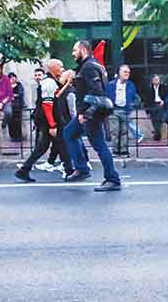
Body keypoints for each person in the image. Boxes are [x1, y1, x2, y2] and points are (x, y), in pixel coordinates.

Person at [62, 39, 121, 192]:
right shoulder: (90, 66)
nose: (72, 54)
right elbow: (87, 88)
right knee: (69, 133)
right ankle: (82, 169)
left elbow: (97, 92)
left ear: (83, 50)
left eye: (75, 50)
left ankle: (112, 179)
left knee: (99, 145)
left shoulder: (89, 67)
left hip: (91, 113)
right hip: (89, 111)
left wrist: (86, 113)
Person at [16, 59, 72, 181]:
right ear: (52, 68)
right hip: (49, 121)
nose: (62, 69)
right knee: (60, 144)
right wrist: (52, 125)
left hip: (49, 120)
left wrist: (66, 84)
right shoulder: (48, 82)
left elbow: (55, 97)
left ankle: (24, 170)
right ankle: (70, 171)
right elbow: (47, 105)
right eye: (60, 66)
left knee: (44, 146)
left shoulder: (51, 82)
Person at [107, 64, 141, 156]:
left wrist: (132, 105)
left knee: (124, 131)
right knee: (115, 131)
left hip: (125, 110)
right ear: (119, 73)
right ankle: (115, 151)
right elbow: (107, 96)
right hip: (114, 110)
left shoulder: (131, 85)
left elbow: (135, 97)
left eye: (128, 72)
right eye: (125, 72)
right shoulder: (111, 84)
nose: (127, 74)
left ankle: (124, 151)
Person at [144, 73, 168, 141]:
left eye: (158, 79)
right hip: (153, 105)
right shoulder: (149, 89)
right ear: (152, 81)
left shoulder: (163, 87)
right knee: (154, 121)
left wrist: (163, 101)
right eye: (155, 80)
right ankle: (157, 134)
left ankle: (156, 135)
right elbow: (147, 100)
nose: (157, 81)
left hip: (161, 105)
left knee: (159, 119)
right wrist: (147, 111)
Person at [8, 73, 25, 142]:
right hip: (9, 105)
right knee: (10, 122)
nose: (13, 79)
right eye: (11, 78)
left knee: (18, 121)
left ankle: (19, 136)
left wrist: (13, 95)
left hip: (18, 106)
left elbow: (20, 94)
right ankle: (13, 136)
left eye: (14, 77)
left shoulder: (19, 85)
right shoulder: (7, 86)